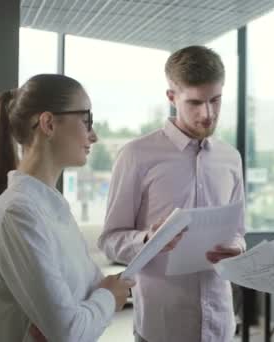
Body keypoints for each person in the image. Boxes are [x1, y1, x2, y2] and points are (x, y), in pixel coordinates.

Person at [98, 45, 246, 342]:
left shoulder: (231, 157)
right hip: (162, 327)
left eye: (215, 100)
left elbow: (239, 232)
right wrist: (147, 241)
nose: (208, 114)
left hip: (220, 325)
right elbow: (110, 240)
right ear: (171, 97)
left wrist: (237, 248)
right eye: (195, 102)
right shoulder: (136, 155)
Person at [0, 74, 134, 342]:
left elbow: (92, 288)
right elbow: (70, 333)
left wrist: (149, 248)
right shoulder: (17, 213)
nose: (93, 135)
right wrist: (107, 299)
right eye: (86, 121)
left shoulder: (51, 206)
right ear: (48, 123)